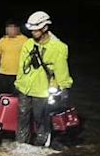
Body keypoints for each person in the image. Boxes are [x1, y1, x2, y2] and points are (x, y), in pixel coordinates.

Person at [14, 12, 73, 148]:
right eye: (32, 29)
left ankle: (41, 145)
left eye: (36, 29)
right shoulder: (28, 44)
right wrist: (18, 82)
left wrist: (64, 87)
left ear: (45, 27)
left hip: (42, 90)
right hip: (25, 88)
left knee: (40, 118)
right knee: (23, 117)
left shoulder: (58, 47)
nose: (33, 32)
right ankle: (21, 146)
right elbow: (21, 67)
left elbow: (61, 69)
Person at [0, 20, 28, 94]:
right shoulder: (2, 40)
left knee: (16, 95)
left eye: (12, 27)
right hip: (3, 73)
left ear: (17, 29)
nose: (10, 30)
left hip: (18, 74)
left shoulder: (25, 40)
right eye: (8, 28)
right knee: (4, 95)